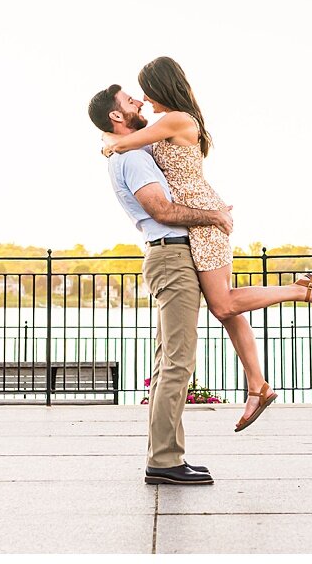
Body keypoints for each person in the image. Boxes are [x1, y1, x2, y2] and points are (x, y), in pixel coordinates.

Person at [102, 58, 312, 433]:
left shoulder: (177, 119)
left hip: (204, 223)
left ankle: (301, 290)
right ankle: (257, 385)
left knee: (223, 303)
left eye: (146, 90)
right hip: (200, 218)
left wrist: (108, 140)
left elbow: (124, 144)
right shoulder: (168, 125)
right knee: (228, 309)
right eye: (137, 96)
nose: (145, 100)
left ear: (161, 86)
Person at [89, 83, 232, 486]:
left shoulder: (132, 150)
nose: (139, 102)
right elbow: (163, 210)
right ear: (117, 117)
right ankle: (165, 461)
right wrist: (214, 217)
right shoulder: (133, 158)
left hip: (168, 256)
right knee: (177, 362)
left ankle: (165, 455)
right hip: (171, 256)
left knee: (168, 359)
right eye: (129, 102)